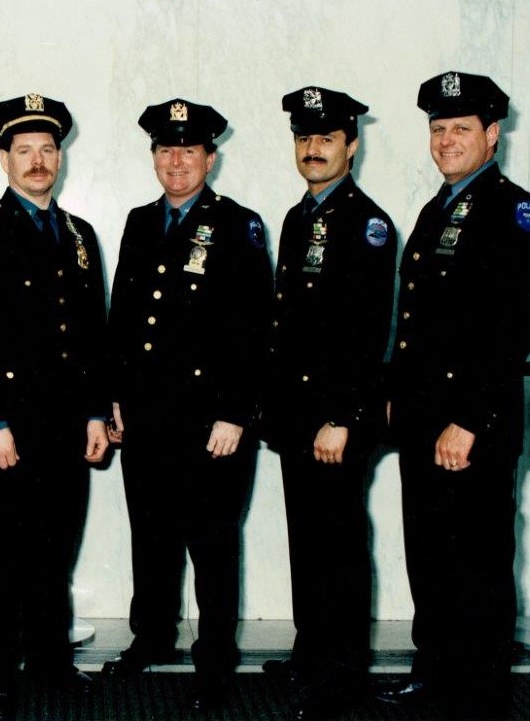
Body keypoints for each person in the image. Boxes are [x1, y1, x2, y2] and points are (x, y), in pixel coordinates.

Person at [101, 99, 273, 710]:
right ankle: (150, 639)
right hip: (145, 416)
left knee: (212, 544)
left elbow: (255, 330)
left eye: (189, 149)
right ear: (153, 157)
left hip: (210, 423)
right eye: (165, 149)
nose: (176, 160)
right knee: (150, 538)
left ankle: (217, 664)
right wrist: (113, 398)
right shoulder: (139, 222)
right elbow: (123, 319)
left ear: (211, 157)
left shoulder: (240, 225)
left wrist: (235, 412)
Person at [0, 93, 109, 721]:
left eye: (47, 150)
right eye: (24, 151)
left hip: (68, 426)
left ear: (60, 157)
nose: (38, 161)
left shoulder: (78, 235)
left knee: (55, 546)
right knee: (6, 555)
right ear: (3, 159)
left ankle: (49, 662)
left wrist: (97, 411)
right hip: (7, 428)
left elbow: (92, 333)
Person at [379, 71, 530, 721]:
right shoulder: (437, 206)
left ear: (493, 134)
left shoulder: (510, 209)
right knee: (432, 554)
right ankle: (436, 671)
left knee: (479, 561)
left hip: (472, 424)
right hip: (422, 418)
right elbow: (416, 319)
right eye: (438, 128)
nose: (445, 140)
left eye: (460, 128)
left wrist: (469, 419)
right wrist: (394, 394)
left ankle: (481, 693)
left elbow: (511, 327)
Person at [259, 86, 397, 720]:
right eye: (304, 138)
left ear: (352, 145)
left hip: (337, 420)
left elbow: (368, 334)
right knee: (308, 539)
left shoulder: (366, 224)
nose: (313, 149)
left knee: (337, 544)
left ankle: (341, 676)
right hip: (298, 419)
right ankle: (312, 653)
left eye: (326, 138)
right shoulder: (298, 217)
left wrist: (343, 416)